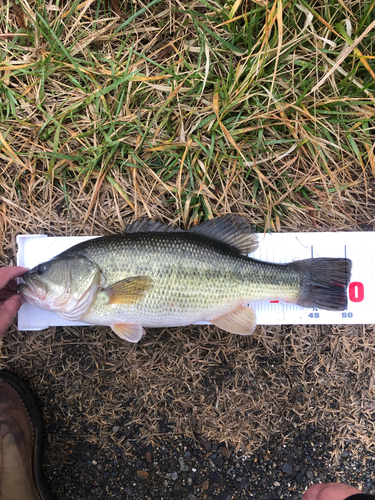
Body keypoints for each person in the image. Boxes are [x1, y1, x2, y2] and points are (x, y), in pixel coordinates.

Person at [0, 266, 373, 500]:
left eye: (45, 270)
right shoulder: (101, 295)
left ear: (82, 273)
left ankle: (302, 280)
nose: (34, 278)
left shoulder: (103, 293)